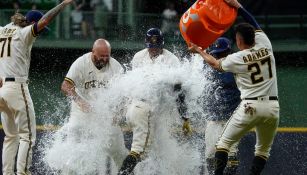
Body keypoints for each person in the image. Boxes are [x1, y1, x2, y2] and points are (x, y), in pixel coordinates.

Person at [189, 0, 280, 174]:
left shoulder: (237, 58)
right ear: (255, 36)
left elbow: (215, 63)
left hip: (250, 106)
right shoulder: (265, 44)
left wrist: (199, 50)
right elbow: (254, 22)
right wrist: (238, 7)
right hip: (273, 108)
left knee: (222, 144)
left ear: (238, 41)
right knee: (262, 151)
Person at [0, 1, 74, 174]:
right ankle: (23, 172)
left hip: (2, 87)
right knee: (28, 136)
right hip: (16, 87)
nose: (40, 34)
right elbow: (45, 21)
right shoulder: (25, 32)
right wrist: (62, 5)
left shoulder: (3, 29)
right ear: (33, 23)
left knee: (10, 137)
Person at [118, 28, 192, 175]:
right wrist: (184, 117)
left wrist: (183, 116)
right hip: (142, 108)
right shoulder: (139, 57)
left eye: (156, 46)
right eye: (151, 47)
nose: (153, 49)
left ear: (162, 45)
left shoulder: (171, 59)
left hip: (145, 109)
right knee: (139, 151)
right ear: (146, 44)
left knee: (144, 151)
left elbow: (178, 90)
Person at [60, 38, 127, 173]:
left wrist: (119, 112)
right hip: (81, 113)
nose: (104, 59)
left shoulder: (116, 67)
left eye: (107, 55)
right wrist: (80, 101)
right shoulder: (81, 63)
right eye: (101, 56)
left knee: (120, 152)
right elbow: (65, 86)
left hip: (105, 113)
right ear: (93, 52)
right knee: (74, 151)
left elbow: (125, 95)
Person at [202, 37, 241, 175]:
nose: (220, 56)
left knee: (231, 156)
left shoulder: (238, 66)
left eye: (222, 53)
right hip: (214, 117)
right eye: (217, 53)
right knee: (210, 155)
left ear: (229, 52)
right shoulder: (208, 64)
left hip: (232, 117)